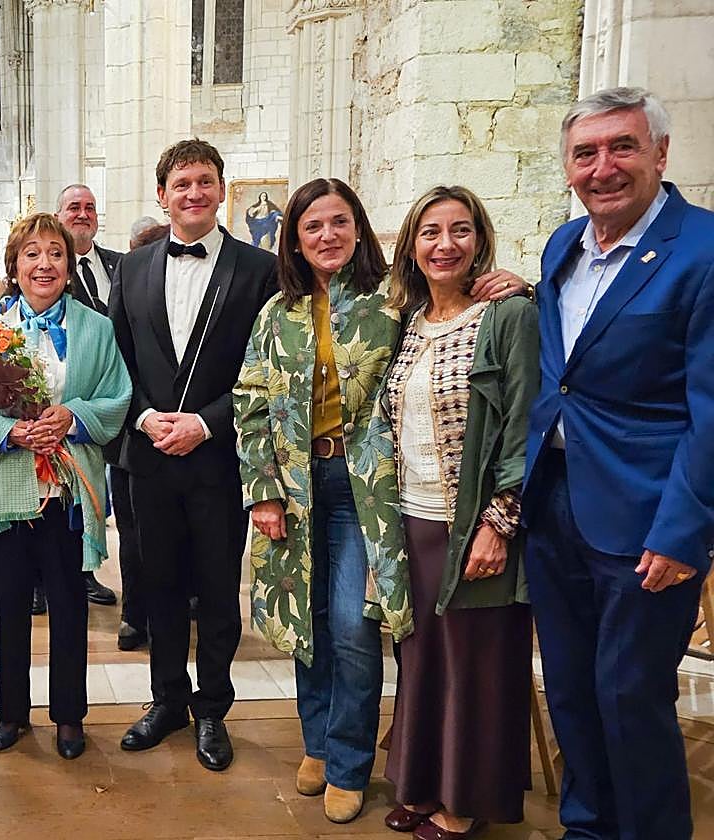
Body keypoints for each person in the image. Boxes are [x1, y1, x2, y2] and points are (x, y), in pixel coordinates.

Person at [233, 178, 528, 823]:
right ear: (294, 238)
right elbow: (250, 402)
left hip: (367, 494)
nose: (327, 236)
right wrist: (263, 491)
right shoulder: (275, 313)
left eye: (339, 222)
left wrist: (518, 283)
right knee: (304, 625)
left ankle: (347, 761)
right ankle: (315, 743)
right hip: (295, 488)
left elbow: (458, 312)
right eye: (313, 226)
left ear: (359, 229)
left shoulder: (391, 300)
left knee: (351, 627)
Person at [523, 87, 714, 840]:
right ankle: (587, 827)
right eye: (586, 153)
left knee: (630, 695)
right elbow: (562, 370)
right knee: (570, 687)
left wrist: (682, 531)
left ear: (660, 154)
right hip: (556, 504)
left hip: (645, 515)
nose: (603, 167)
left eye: (622, 147)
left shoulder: (702, 252)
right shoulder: (562, 246)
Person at [109, 138, 277, 772]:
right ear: (163, 195)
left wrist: (206, 425)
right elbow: (116, 363)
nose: (194, 193)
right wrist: (148, 418)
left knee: (213, 589)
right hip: (148, 460)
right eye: (182, 183)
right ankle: (166, 701)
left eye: (206, 181)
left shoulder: (257, 270)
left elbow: (266, 372)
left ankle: (212, 708)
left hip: (218, 461)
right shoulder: (131, 269)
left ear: (222, 190)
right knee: (159, 586)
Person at [380, 186, 539, 839]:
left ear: (480, 239)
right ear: (411, 247)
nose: (445, 245)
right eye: (430, 232)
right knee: (421, 663)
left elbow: (525, 424)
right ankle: (421, 784)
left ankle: (464, 799)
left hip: (473, 523)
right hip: (412, 520)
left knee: (476, 667)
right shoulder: (407, 321)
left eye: (460, 231)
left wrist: (498, 525)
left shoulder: (506, 315)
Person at [0, 212, 131, 760]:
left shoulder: (96, 328)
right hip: (10, 489)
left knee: (70, 605)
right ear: (14, 265)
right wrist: (11, 430)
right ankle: (11, 711)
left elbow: (117, 396)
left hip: (68, 494)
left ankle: (70, 715)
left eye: (55, 253)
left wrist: (71, 416)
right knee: (9, 605)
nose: (44, 263)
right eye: (31, 254)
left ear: (70, 265)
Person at [54, 183, 137, 640]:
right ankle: (52, 581)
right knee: (63, 496)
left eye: (89, 207)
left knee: (114, 501)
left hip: (119, 399)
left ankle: (95, 574)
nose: (82, 214)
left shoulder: (120, 265)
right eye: (73, 207)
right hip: (62, 406)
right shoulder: (42, 270)